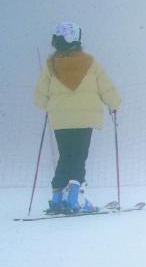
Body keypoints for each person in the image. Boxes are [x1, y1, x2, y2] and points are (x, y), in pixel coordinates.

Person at [33, 22, 121, 213]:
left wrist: (52, 105)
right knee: (79, 157)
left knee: (65, 157)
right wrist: (114, 105)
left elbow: (39, 97)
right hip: (85, 119)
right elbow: (106, 87)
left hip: (61, 121)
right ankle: (74, 200)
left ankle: (57, 200)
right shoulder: (90, 62)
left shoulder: (51, 65)